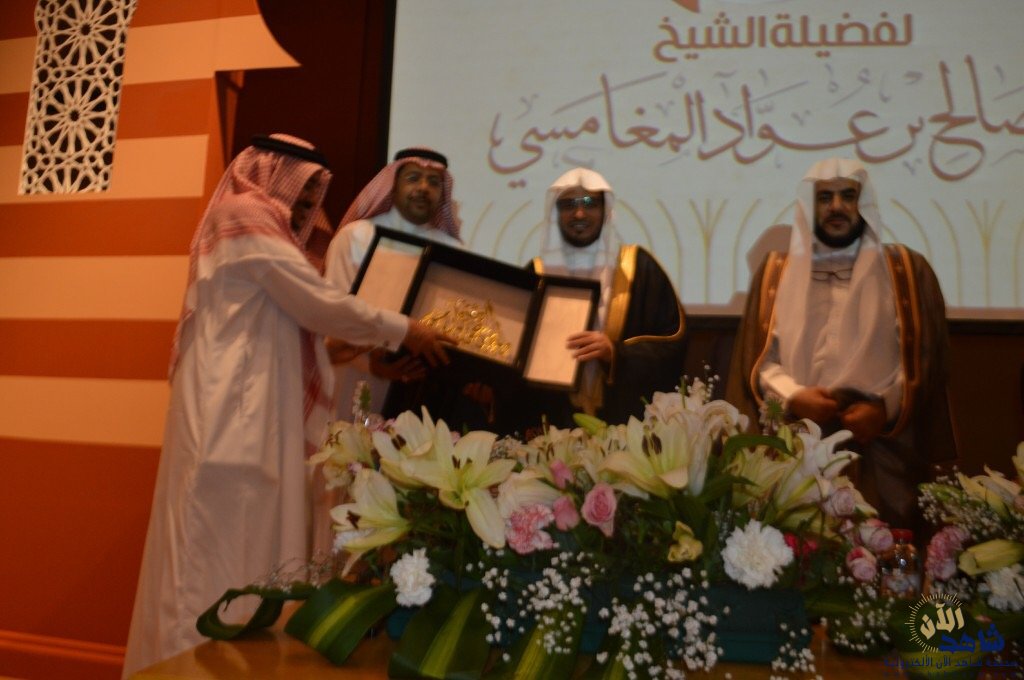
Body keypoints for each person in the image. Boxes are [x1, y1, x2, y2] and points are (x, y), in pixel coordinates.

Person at [122, 134, 451, 676]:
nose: (304, 207)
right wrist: (405, 330)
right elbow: (317, 303)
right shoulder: (243, 215)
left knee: (249, 553)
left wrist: (368, 359)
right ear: (269, 176)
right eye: (300, 192)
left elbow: (305, 330)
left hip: (254, 416)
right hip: (227, 418)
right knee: (208, 558)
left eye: (313, 197)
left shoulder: (265, 231)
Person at [726, 157, 957, 531]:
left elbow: (923, 360)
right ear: (810, 205)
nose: (836, 207)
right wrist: (793, 397)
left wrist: (883, 408)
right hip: (799, 447)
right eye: (825, 198)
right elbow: (759, 360)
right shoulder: (777, 272)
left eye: (848, 196)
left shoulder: (905, 271)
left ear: (863, 203)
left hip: (879, 449)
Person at [514, 167, 687, 431]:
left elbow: (673, 343)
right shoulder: (537, 273)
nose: (579, 213)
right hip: (554, 426)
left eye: (589, 203)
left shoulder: (639, 268)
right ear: (556, 213)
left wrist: (616, 355)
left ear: (606, 211)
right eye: (568, 205)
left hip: (624, 424)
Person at [323, 147, 462, 418]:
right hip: (358, 377)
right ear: (393, 185)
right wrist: (371, 363)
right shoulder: (356, 237)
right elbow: (335, 316)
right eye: (413, 178)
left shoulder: (453, 250)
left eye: (434, 182)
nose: (423, 188)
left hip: (424, 389)